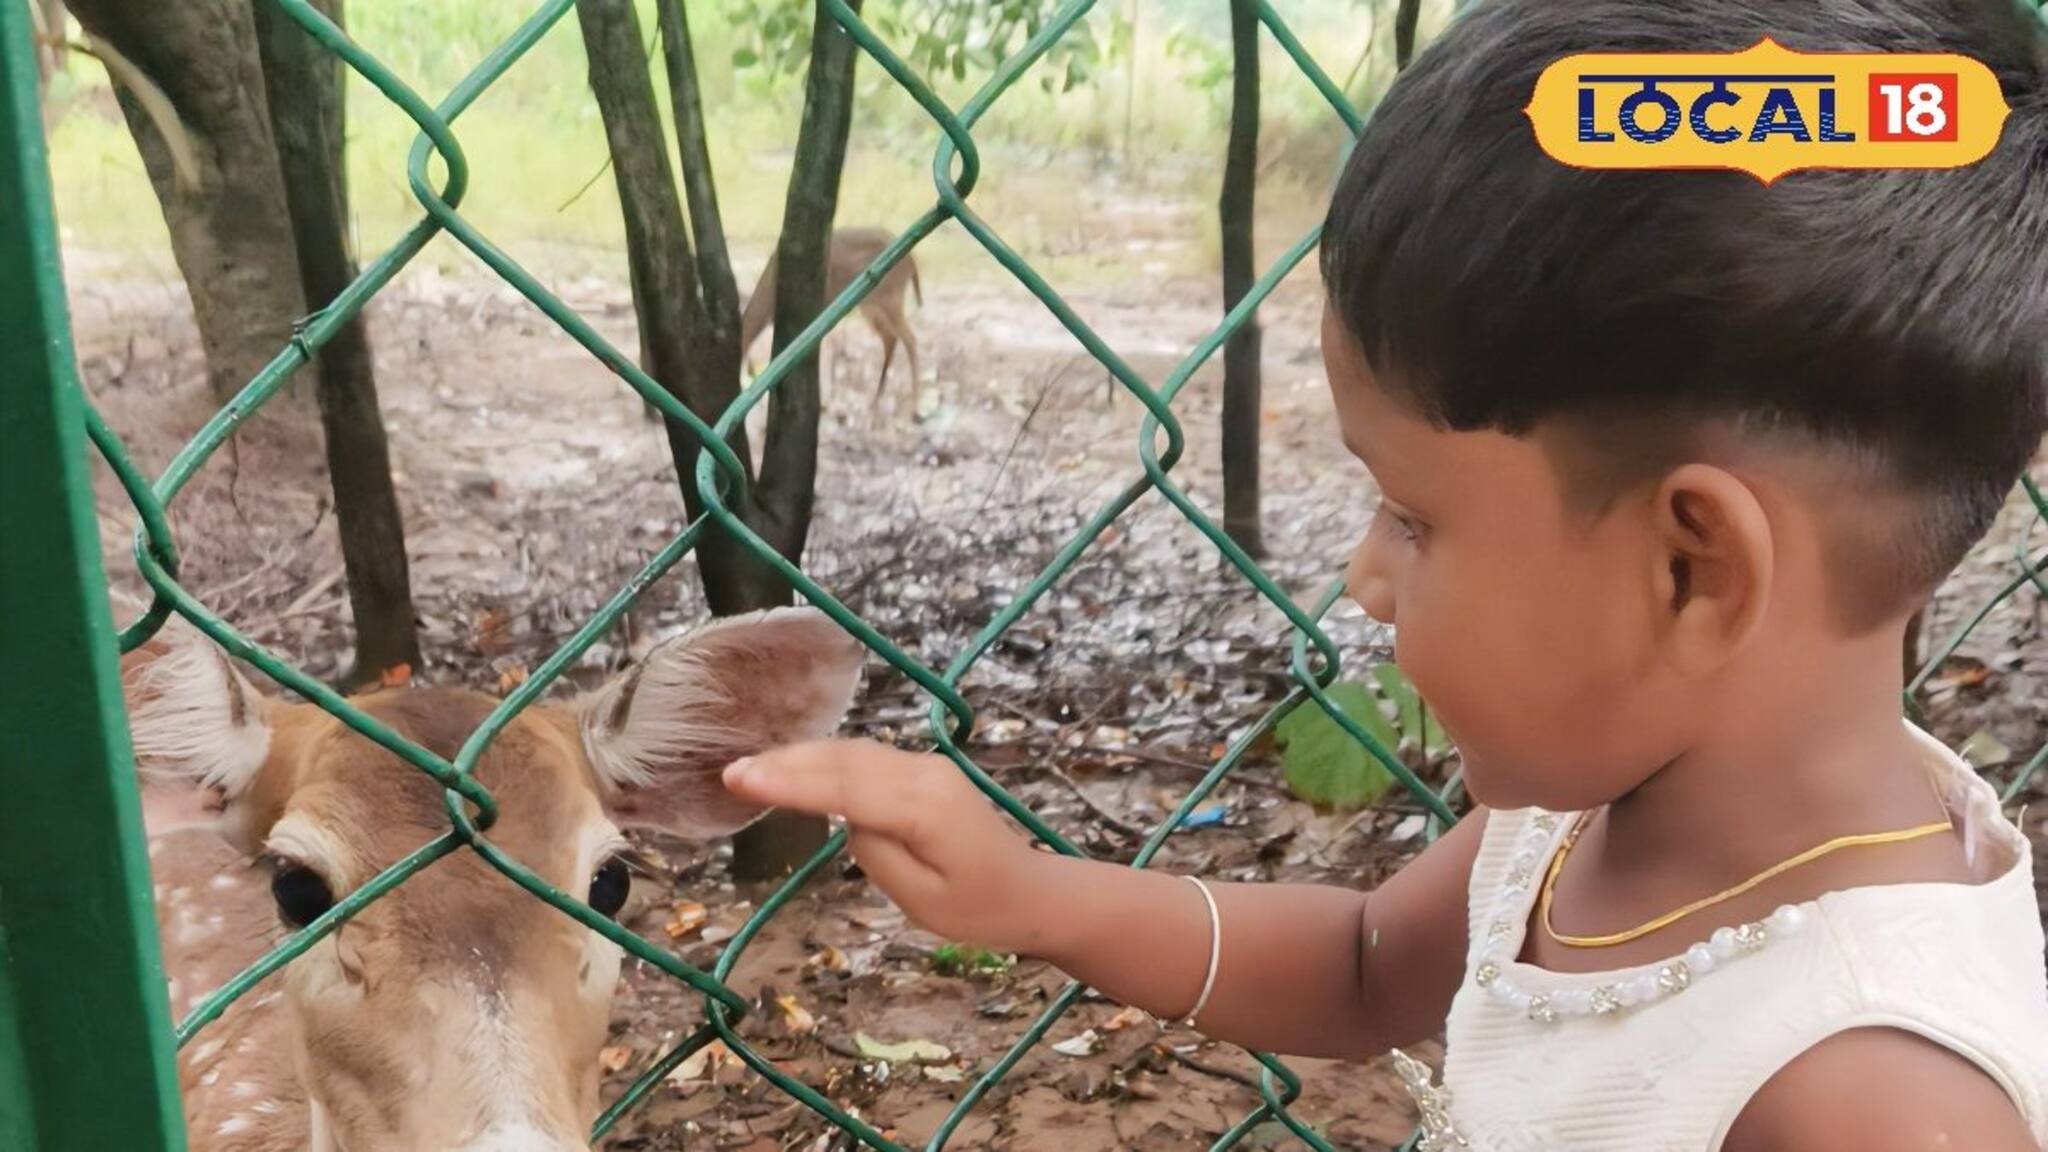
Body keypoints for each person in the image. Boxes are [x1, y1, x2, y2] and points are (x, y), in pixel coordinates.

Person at [722, 1, 2048, 1146]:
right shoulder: (1601, 805)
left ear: (1691, 572)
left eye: (1411, 515)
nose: (1364, 577)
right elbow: (1365, 969)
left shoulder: (1866, 1094)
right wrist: (1031, 894)